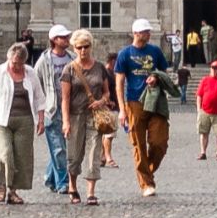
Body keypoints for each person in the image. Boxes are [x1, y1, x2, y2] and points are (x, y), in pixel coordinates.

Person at [114, 18, 175, 198]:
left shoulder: (155, 51)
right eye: (145, 32)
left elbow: (165, 73)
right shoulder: (125, 54)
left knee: (159, 142)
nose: (149, 35)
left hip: (155, 101)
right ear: (136, 33)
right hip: (134, 102)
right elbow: (119, 83)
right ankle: (146, 183)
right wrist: (122, 110)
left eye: (149, 32)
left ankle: (147, 171)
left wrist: (156, 77)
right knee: (138, 145)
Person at [0, 42, 44, 205]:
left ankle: (12, 191)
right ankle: (1, 186)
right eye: (14, 63)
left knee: (22, 157)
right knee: (5, 154)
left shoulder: (30, 73)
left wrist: (41, 119)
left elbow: (39, 97)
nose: (16, 66)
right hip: (0, 119)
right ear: (9, 58)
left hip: (25, 120)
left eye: (20, 63)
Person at [60, 29, 115, 205]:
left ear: (91, 46)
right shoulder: (69, 69)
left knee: (94, 153)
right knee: (75, 155)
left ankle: (91, 192)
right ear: (74, 48)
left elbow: (107, 93)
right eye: (79, 47)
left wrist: (101, 101)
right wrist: (66, 121)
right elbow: (65, 99)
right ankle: (72, 186)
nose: (83, 50)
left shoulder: (100, 68)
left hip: (95, 117)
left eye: (86, 46)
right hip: (76, 116)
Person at [33, 25, 75, 194]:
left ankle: (50, 178)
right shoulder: (44, 61)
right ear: (54, 40)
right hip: (51, 109)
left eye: (67, 37)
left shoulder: (72, 58)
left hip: (69, 109)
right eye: (63, 37)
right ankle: (62, 183)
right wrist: (39, 111)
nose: (66, 40)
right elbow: (36, 84)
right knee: (58, 148)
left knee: (63, 147)